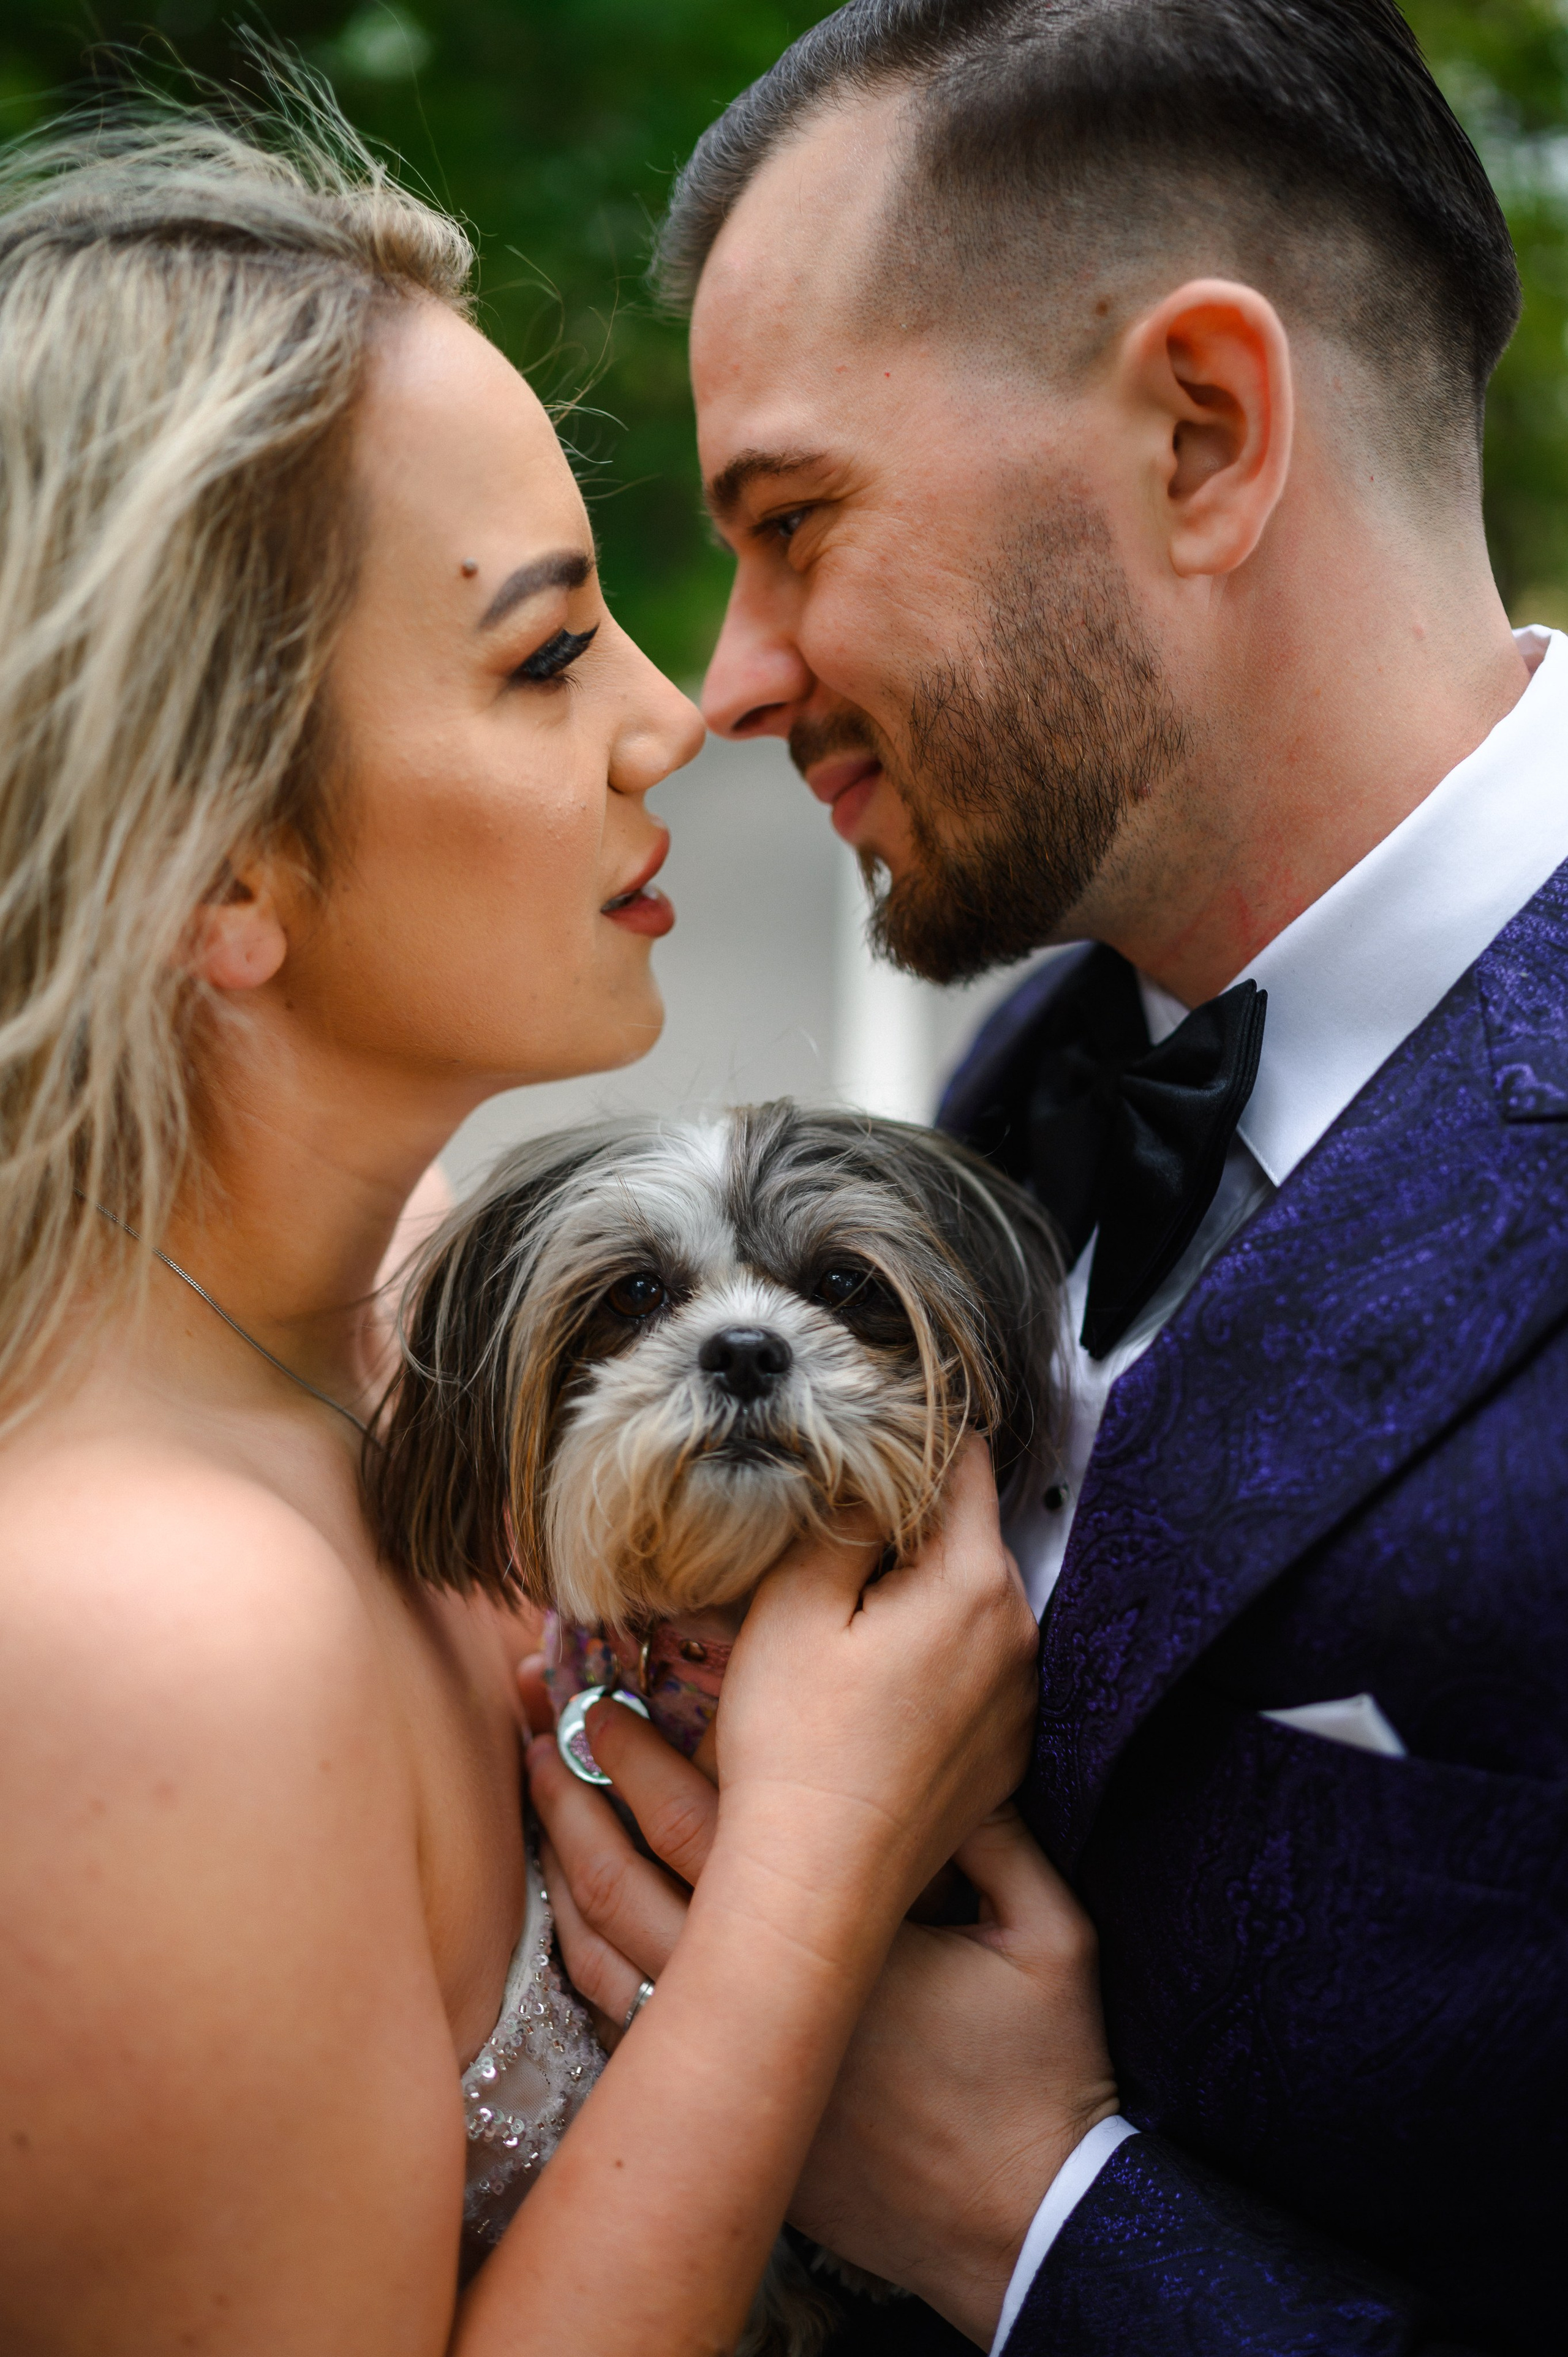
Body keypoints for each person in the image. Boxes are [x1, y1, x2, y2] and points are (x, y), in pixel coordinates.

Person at [541, 2, 1567, 2350]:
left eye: (794, 525)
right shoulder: (1015, 1096)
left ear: (1203, 434)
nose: (729, 678)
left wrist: (1044, 2225)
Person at [0, 94, 1045, 2354]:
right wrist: (812, 1880)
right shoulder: (142, 1638)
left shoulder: (396, 1325)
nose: (680, 720)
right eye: (550, 651)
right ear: (223, 867)